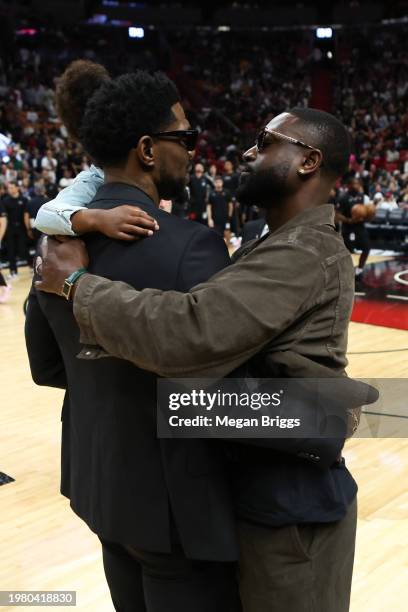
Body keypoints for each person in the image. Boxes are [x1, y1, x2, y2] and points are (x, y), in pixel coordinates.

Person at [36, 108, 362, 612]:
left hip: (293, 513)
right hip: (250, 497)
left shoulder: (306, 251)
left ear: (308, 161)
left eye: (265, 141)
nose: (247, 152)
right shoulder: (263, 241)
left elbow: (190, 331)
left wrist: (77, 283)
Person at [26, 69, 242, 612]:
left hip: (100, 492)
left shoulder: (57, 249)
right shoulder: (193, 247)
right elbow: (220, 392)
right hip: (177, 514)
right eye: (185, 138)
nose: (192, 151)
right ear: (147, 149)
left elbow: (47, 367)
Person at [335, 177, 371, 280]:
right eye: (354, 183)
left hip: (360, 227)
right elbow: (337, 214)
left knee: (367, 248)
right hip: (348, 227)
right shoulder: (343, 197)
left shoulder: (362, 197)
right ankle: (344, 271)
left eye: (358, 183)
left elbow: (367, 211)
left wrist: (368, 216)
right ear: (349, 185)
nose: (357, 185)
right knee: (346, 251)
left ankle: (359, 268)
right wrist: (348, 220)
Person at [2, 181, 30, 279]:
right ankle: (13, 271)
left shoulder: (24, 199)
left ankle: (31, 267)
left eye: (12, 187)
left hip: (22, 228)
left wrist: (28, 228)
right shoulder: (5, 201)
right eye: (9, 188)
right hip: (10, 229)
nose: (10, 189)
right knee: (11, 251)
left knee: (24, 249)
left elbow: (27, 214)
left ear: (17, 188)